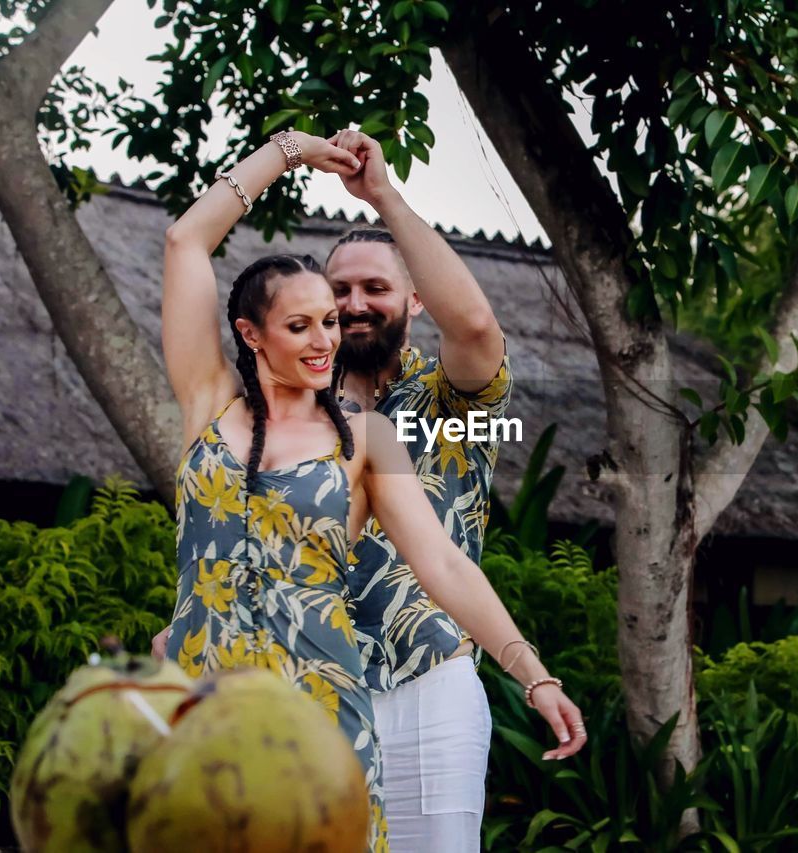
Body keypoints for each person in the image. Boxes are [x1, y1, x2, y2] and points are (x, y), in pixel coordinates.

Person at [158, 127, 585, 852]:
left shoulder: (433, 406)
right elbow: (183, 244)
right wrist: (285, 150)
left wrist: (532, 671)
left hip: (418, 679)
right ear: (256, 332)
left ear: (413, 299)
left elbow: (444, 562)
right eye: (324, 304)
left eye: (368, 292)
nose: (345, 314)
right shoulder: (224, 408)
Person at [322, 130, 512, 852]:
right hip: (316, 686)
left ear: (413, 300)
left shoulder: (450, 400)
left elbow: (476, 324)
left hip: (432, 685)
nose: (356, 302)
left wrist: (383, 196)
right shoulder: (293, 418)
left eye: (375, 287)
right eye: (339, 290)